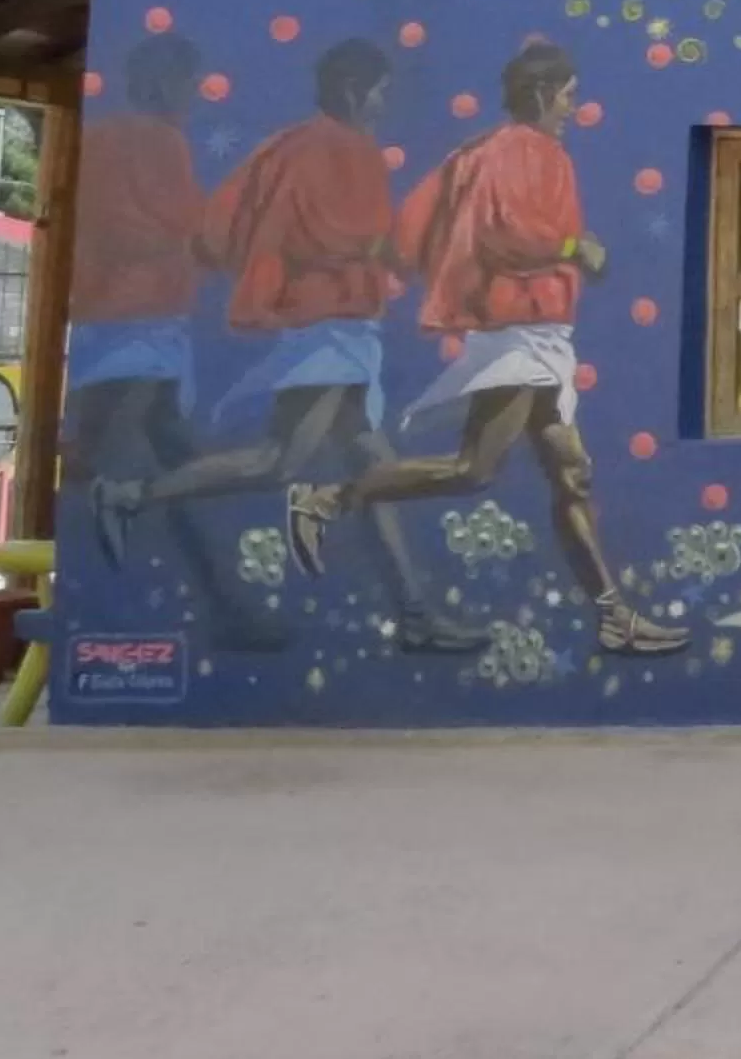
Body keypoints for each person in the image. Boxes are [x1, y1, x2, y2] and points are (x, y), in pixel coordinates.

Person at [291, 41, 684, 655]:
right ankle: (326, 500)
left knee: (572, 475)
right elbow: (508, 233)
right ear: (540, 94)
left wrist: (401, 261)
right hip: (519, 335)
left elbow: (411, 230)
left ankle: (613, 616)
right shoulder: (528, 153)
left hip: (540, 335)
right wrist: (574, 248)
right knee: (473, 469)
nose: (574, 108)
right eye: (569, 95)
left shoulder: (473, 154)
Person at [98, 40, 485, 653]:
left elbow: (220, 230)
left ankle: (414, 614)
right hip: (328, 330)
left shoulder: (291, 144)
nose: (386, 102)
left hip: (338, 330)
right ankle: (131, 494)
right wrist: (415, 242)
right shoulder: (341, 148)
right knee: (278, 462)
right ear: (357, 90)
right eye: (381, 90)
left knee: (375, 468)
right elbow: (348, 234)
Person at [65, 33, 273, 645]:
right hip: (143, 321)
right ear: (163, 82)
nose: (192, 94)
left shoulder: (108, 138)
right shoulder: (157, 140)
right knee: (154, 461)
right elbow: (179, 225)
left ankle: (221, 605)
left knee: (157, 455)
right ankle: (211, 603)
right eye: (186, 81)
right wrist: (218, 243)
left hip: (116, 319)